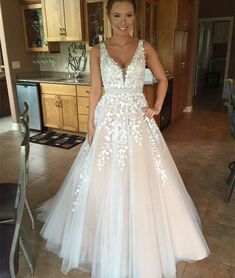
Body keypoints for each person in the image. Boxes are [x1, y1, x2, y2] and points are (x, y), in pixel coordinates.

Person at [38, 0, 210, 277]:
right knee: (102, 176)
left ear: (135, 17)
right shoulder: (97, 49)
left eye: (128, 15)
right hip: (107, 118)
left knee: (144, 175)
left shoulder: (145, 47)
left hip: (137, 118)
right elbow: (95, 90)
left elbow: (163, 79)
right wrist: (89, 125)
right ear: (108, 17)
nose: (123, 21)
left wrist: (156, 108)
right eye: (117, 15)